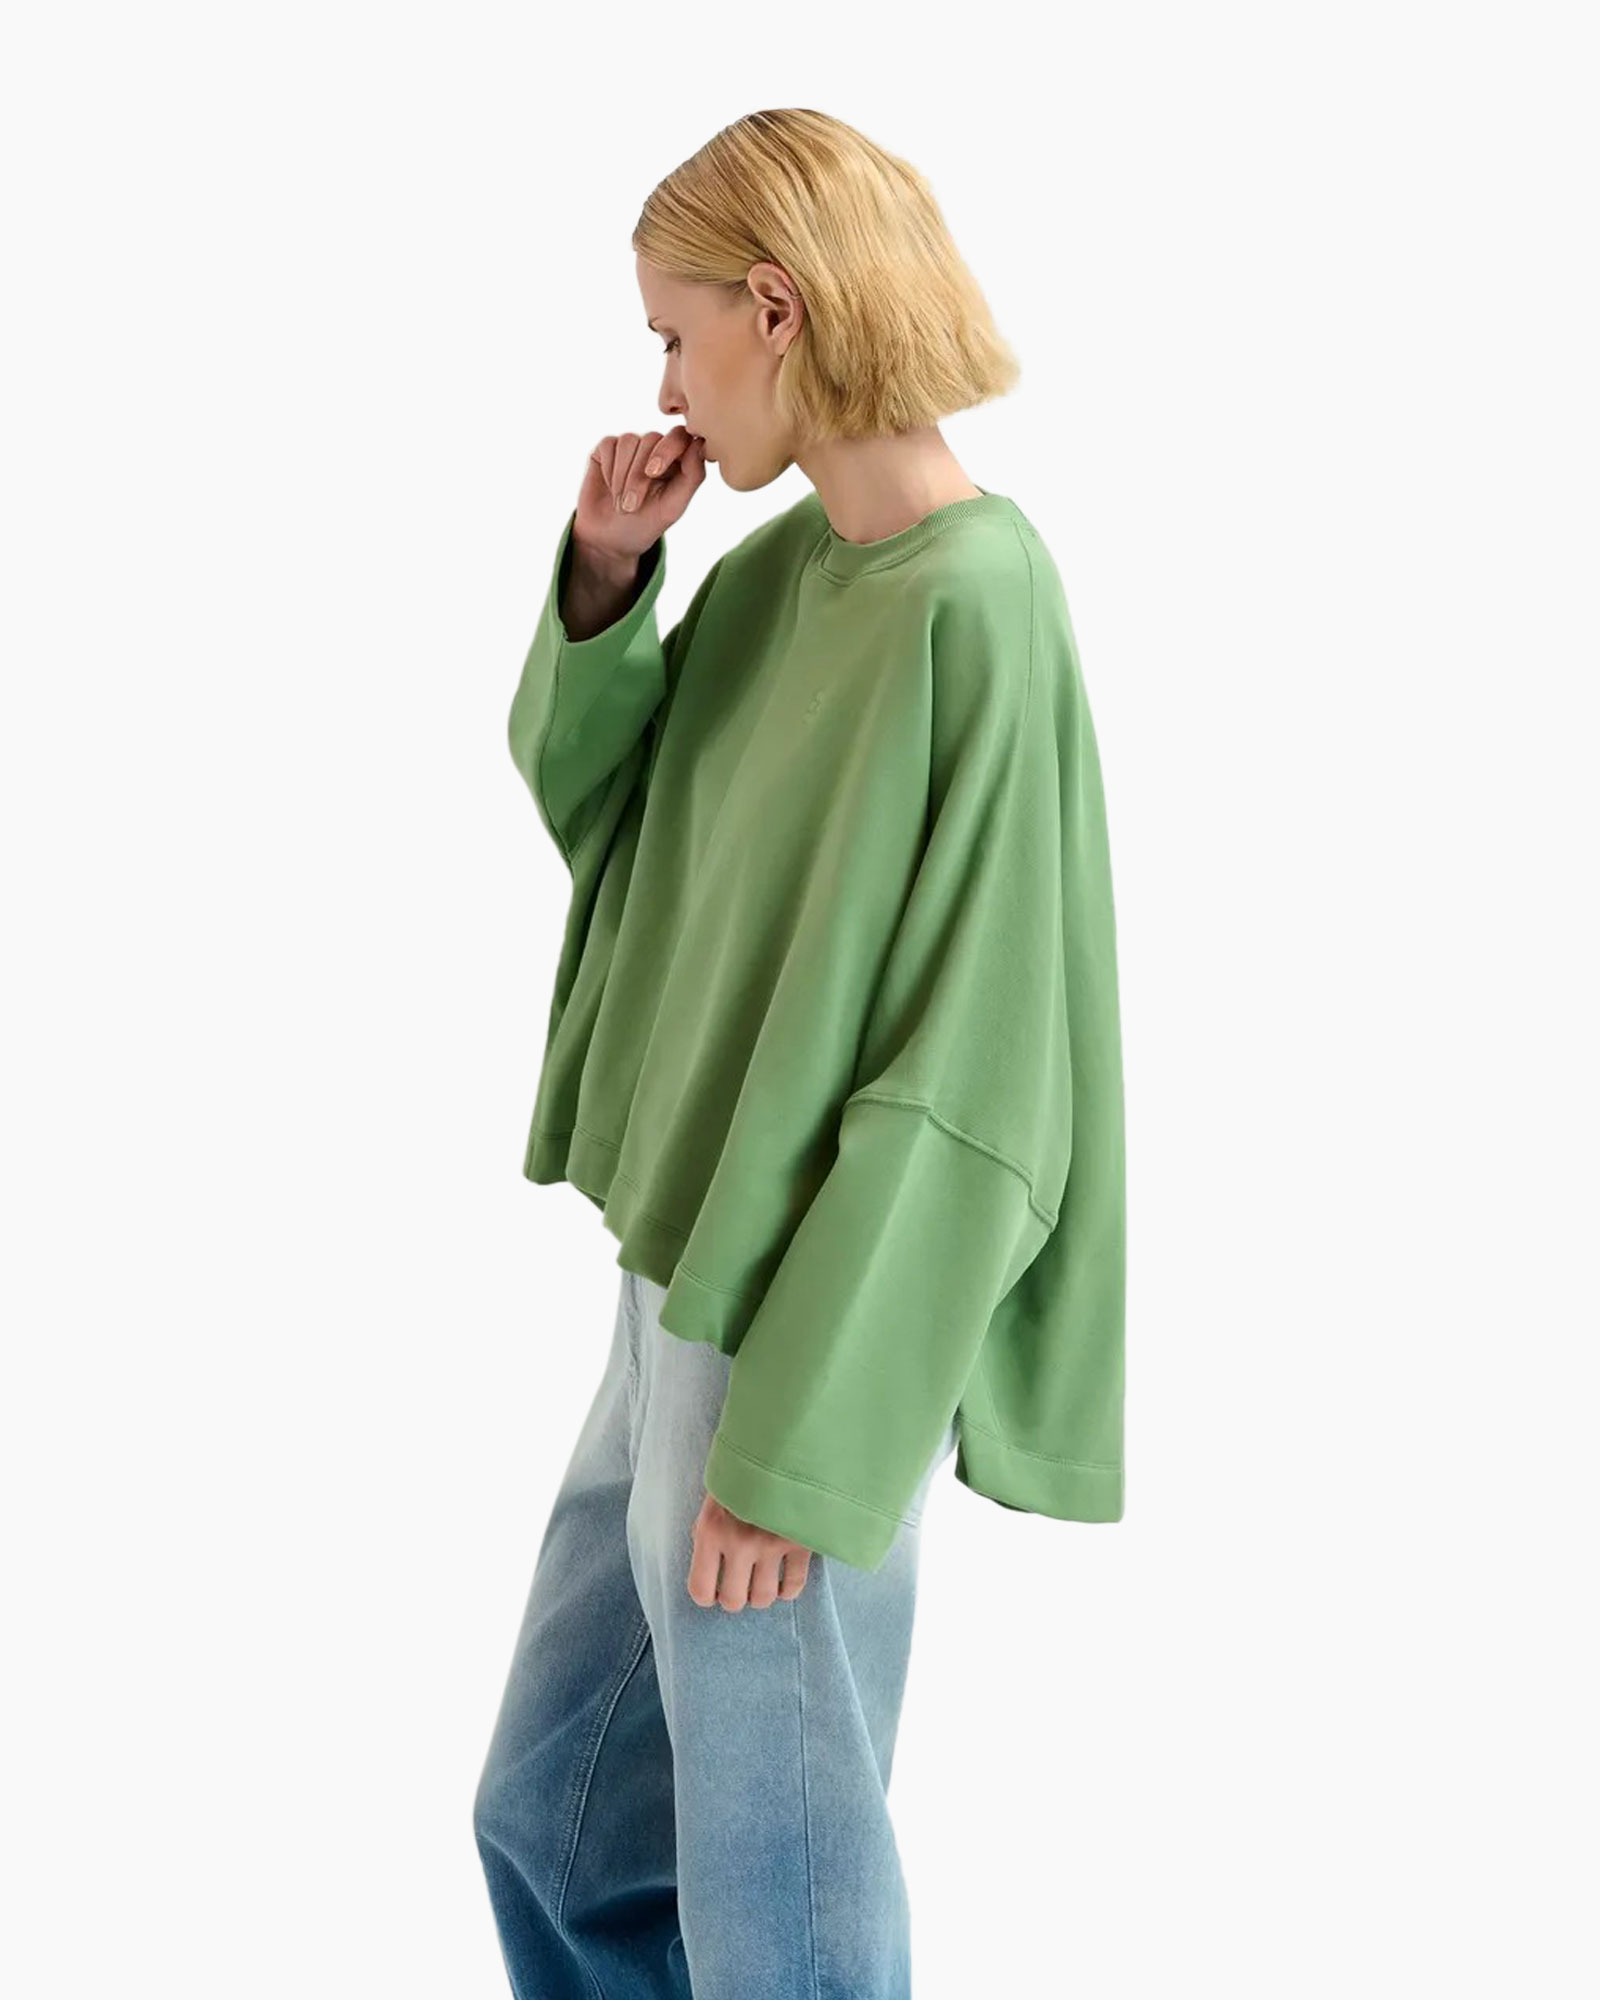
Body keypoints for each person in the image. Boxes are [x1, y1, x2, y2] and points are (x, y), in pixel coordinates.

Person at [473, 107, 1126, 2000]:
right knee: (553, 1823)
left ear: (778, 308)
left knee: (781, 1895)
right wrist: (609, 580)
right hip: (673, 1284)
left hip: (807, 1318)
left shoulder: (980, 605)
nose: (665, 387)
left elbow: (983, 1071)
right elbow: (624, 837)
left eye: (674, 336)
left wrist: (810, 1437)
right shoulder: (778, 575)